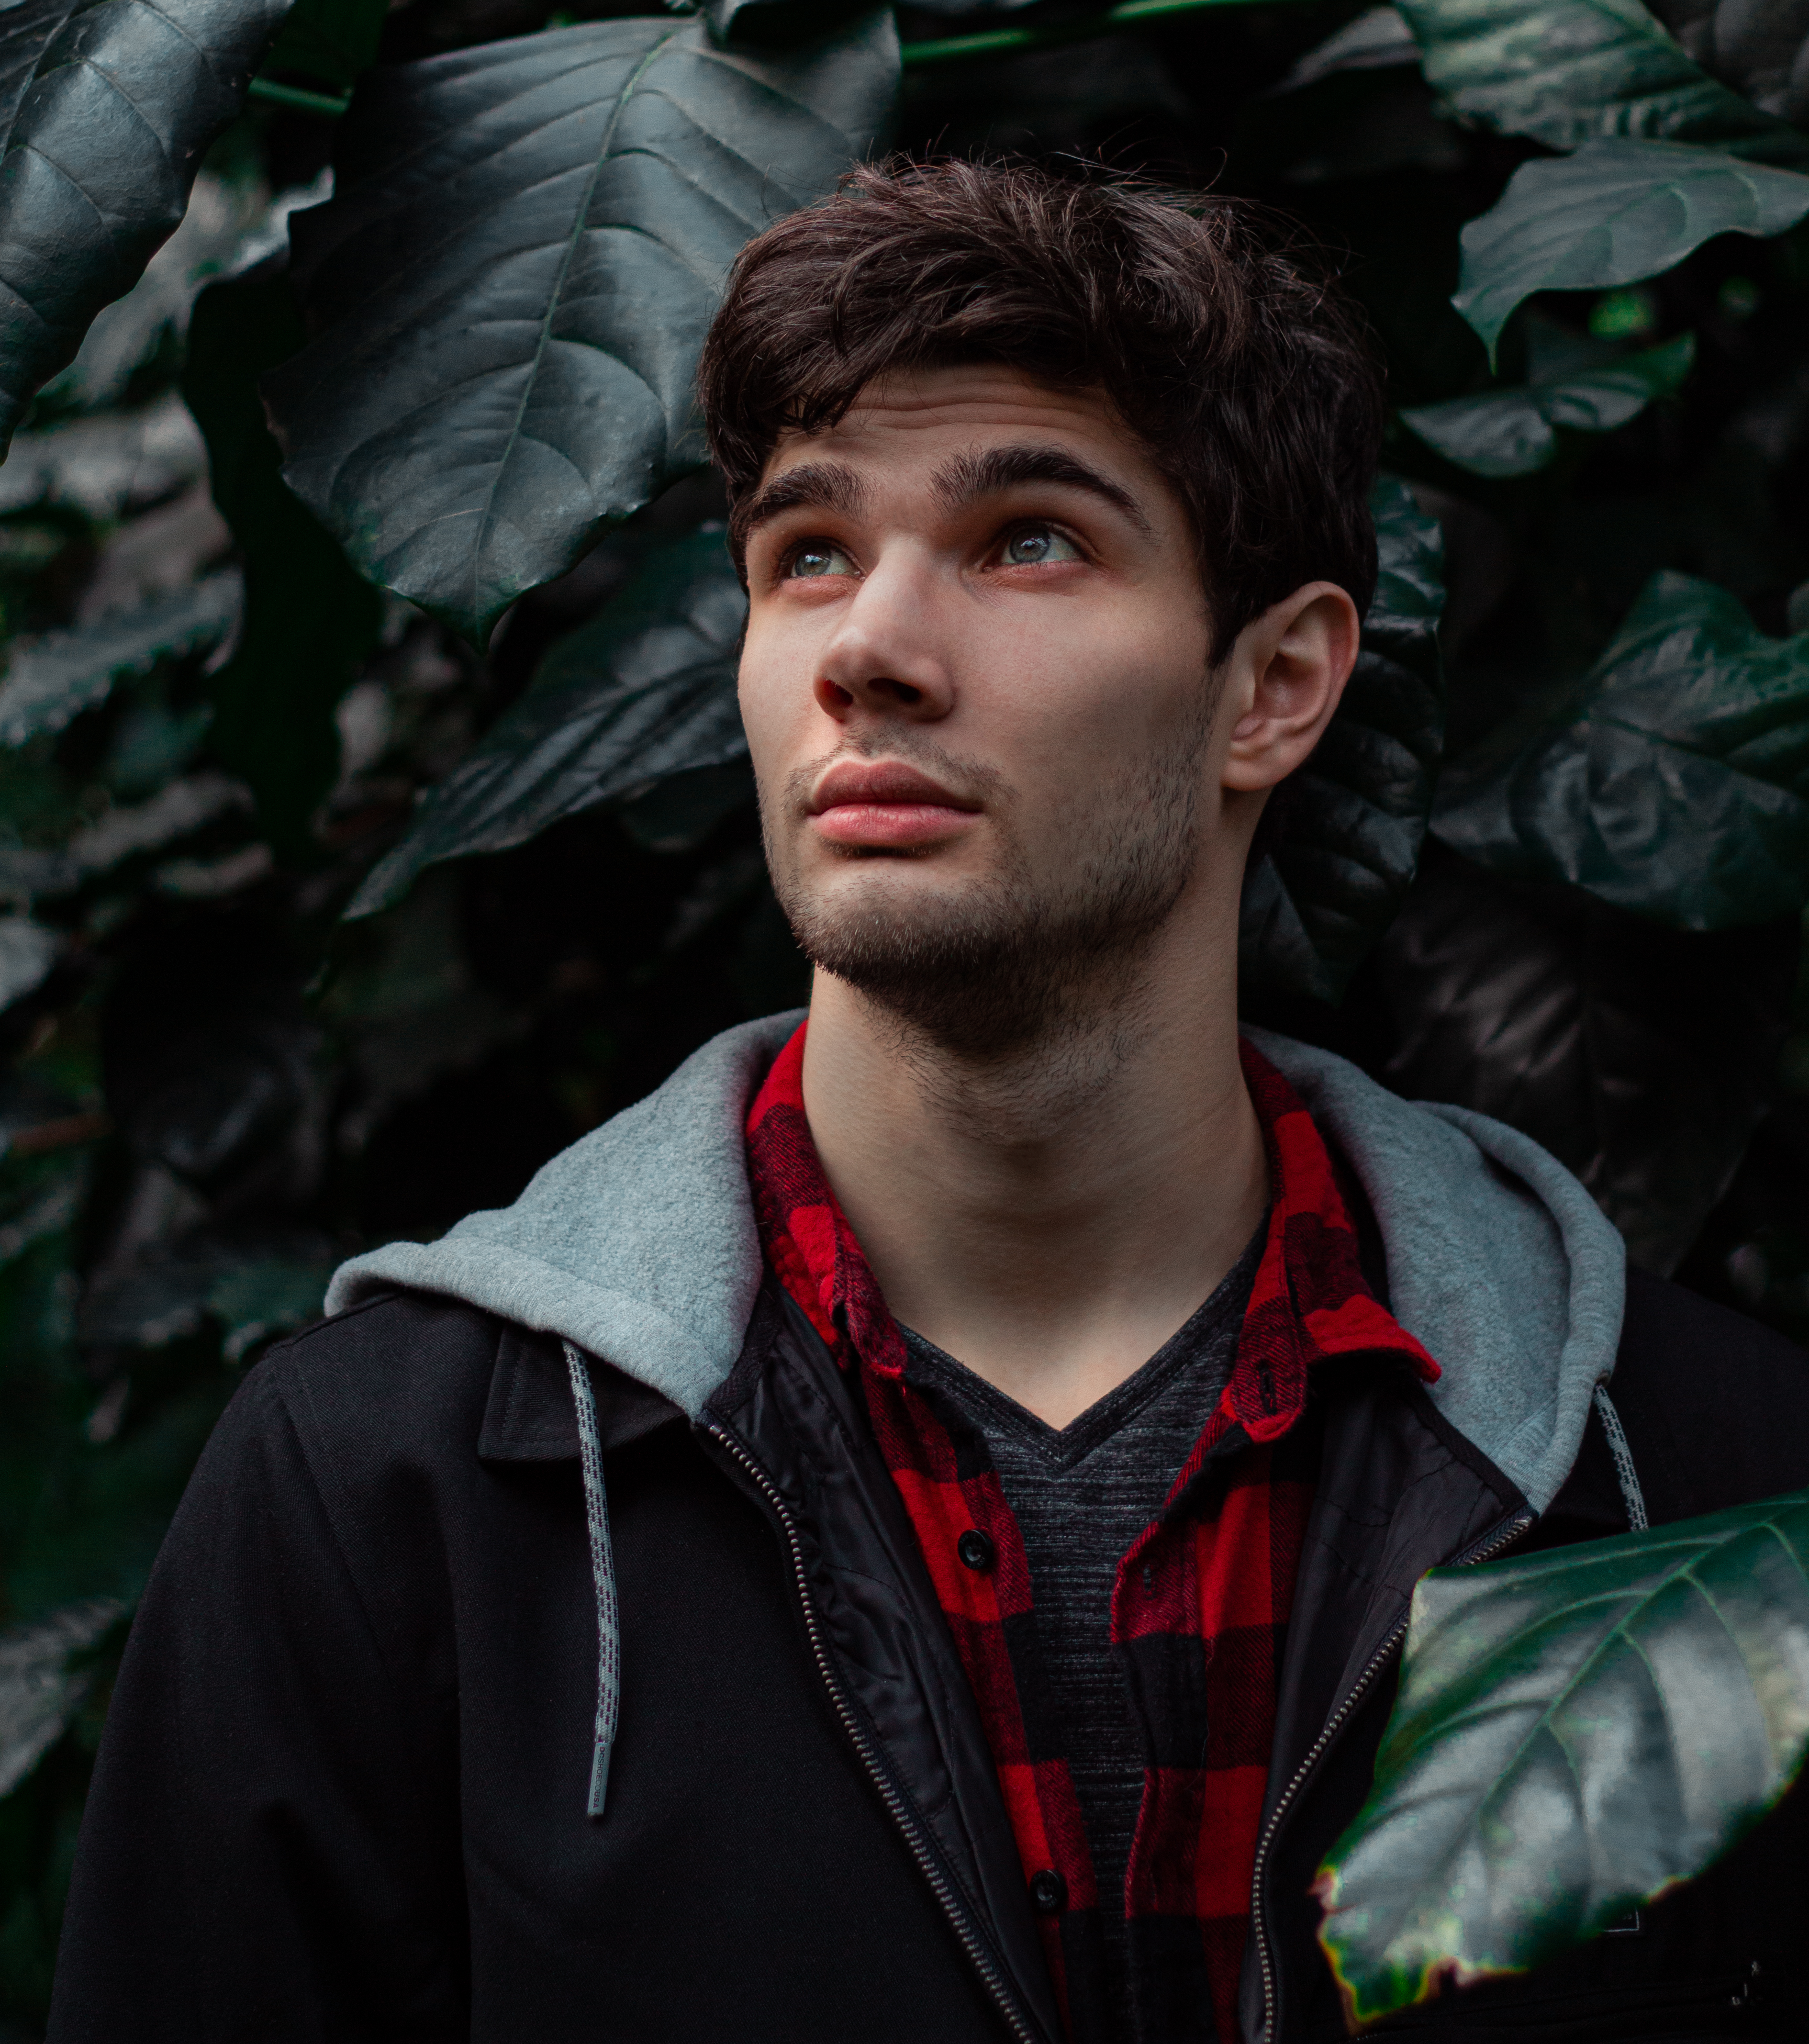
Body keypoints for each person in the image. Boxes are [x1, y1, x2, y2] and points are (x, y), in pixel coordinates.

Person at [47, 158, 1809, 2044]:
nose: (866, 651)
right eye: (807, 553)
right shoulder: (383, 1487)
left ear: (1275, 687)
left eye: (1027, 540)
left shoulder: (1704, 1475)